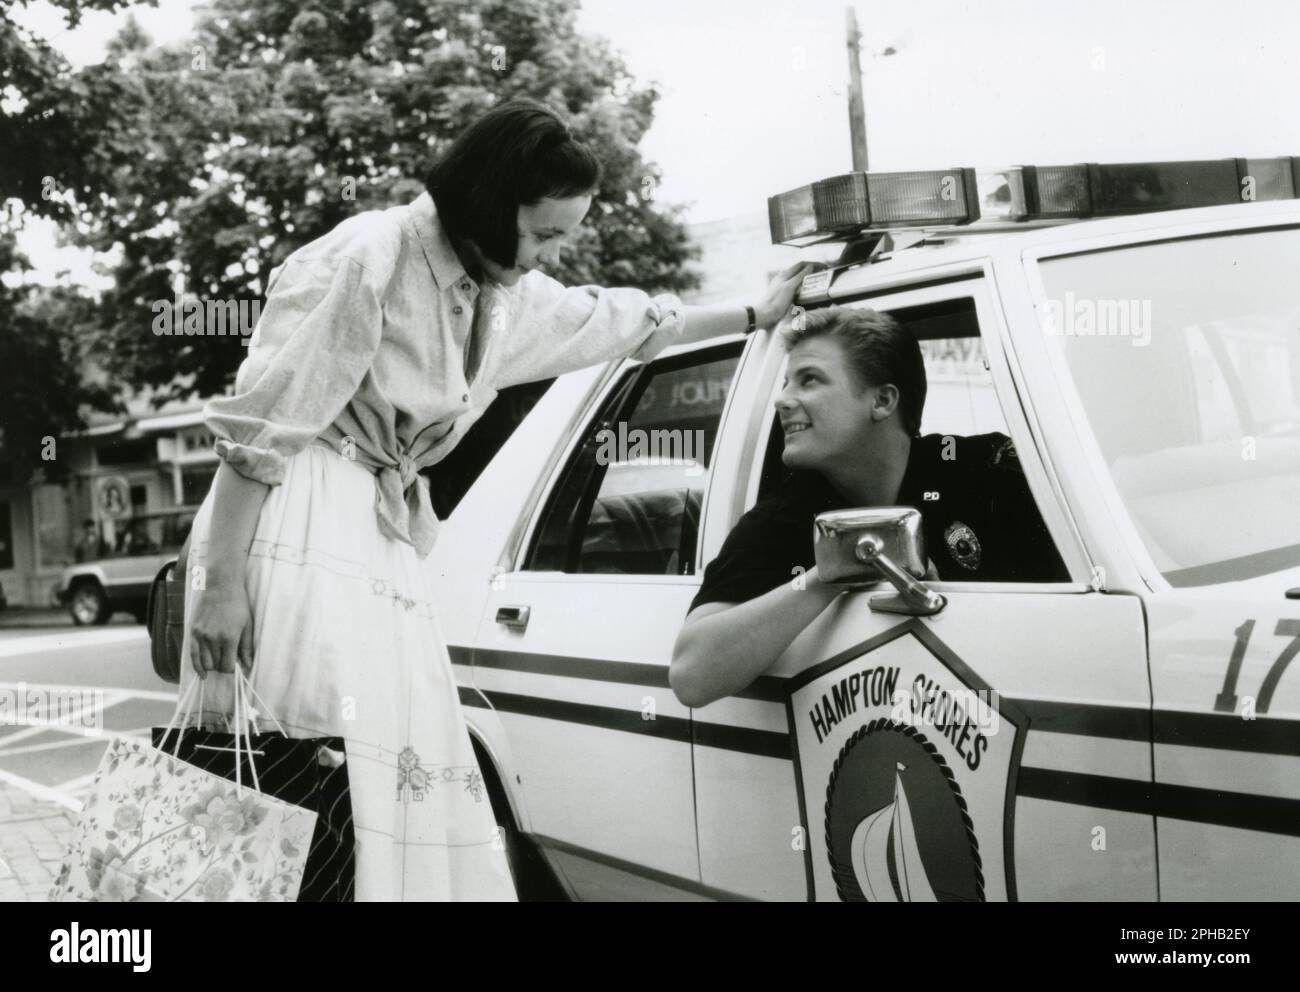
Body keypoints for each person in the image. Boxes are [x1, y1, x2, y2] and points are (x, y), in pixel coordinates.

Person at [181, 97, 814, 901]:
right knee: (301, 768)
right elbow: (261, 432)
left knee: (387, 781)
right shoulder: (369, 255)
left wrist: (755, 311)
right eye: (545, 233)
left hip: (376, 533)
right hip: (296, 522)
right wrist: (219, 586)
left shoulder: (500, 294)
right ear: (489, 201)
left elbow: (615, 319)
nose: (551, 254)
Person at [670, 306, 1066, 709]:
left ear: (883, 400)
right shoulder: (782, 519)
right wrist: (828, 576)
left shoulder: (989, 473)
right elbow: (691, 676)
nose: (783, 400)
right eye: (787, 382)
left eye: (809, 380)